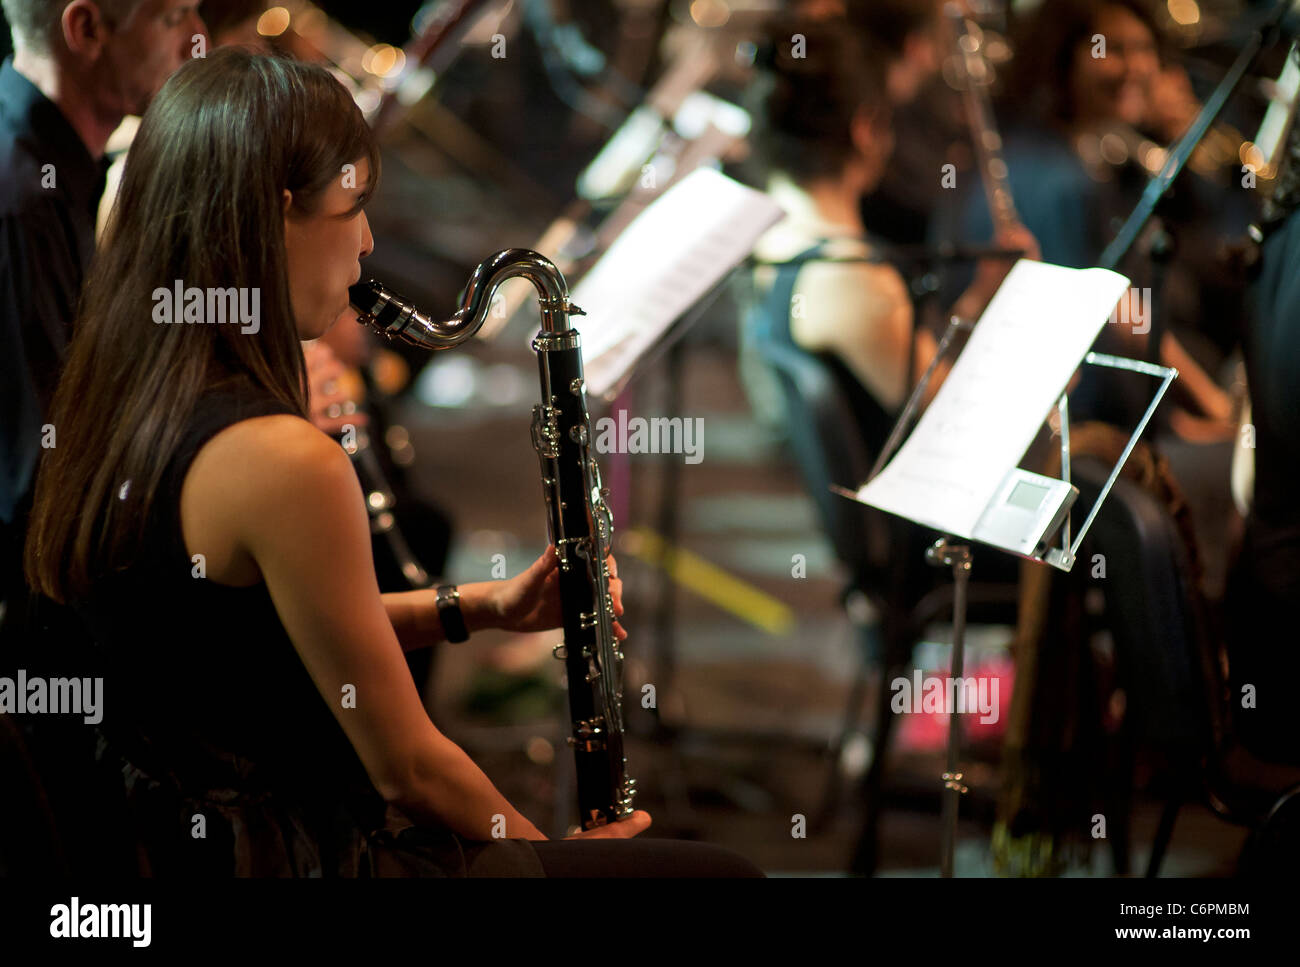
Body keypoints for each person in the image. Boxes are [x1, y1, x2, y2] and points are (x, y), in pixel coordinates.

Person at [21, 47, 762, 877]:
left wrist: (484, 606)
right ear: (276, 216)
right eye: (353, 208)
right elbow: (409, 768)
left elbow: (271, 634)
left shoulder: (111, 388)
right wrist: (556, 859)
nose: (369, 242)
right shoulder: (282, 460)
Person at [742, 14, 1035, 457]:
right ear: (865, 130)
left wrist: (980, 296)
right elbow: (955, 415)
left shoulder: (775, 238)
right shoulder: (850, 275)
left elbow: (916, 361)